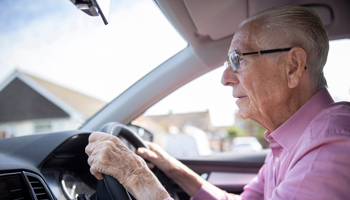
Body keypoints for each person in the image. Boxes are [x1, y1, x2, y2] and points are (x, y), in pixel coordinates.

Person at [85, 6, 350, 200]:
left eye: (238, 59)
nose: (225, 78)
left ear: (292, 67)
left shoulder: (331, 147)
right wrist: (171, 167)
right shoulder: (292, 140)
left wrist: (136, 177)